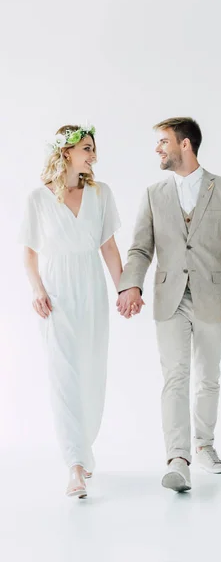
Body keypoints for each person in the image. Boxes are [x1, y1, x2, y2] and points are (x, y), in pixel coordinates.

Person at [117, 117, 221, 492]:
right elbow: (140, 248)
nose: (158, 149)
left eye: (163, 141)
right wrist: (130, 285)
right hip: (169, 297)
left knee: (208, 377)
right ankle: (178, 459)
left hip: (214, 295)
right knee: (175, 376)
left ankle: (205, 445)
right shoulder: (153, 193)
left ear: (185, 145)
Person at [19, 124, 122, 499]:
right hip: (57, 294)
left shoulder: (101, 194)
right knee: (64, 376)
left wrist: (126, 289)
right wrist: (37, 290)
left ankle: (84, 447)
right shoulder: (37, 198)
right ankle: (74, 466)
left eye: (94, 149)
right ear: (66, 152)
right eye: (87, 148)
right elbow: (29, 253)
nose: (93, 155)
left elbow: (109, 248)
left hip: (92, 290)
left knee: (92, 373)